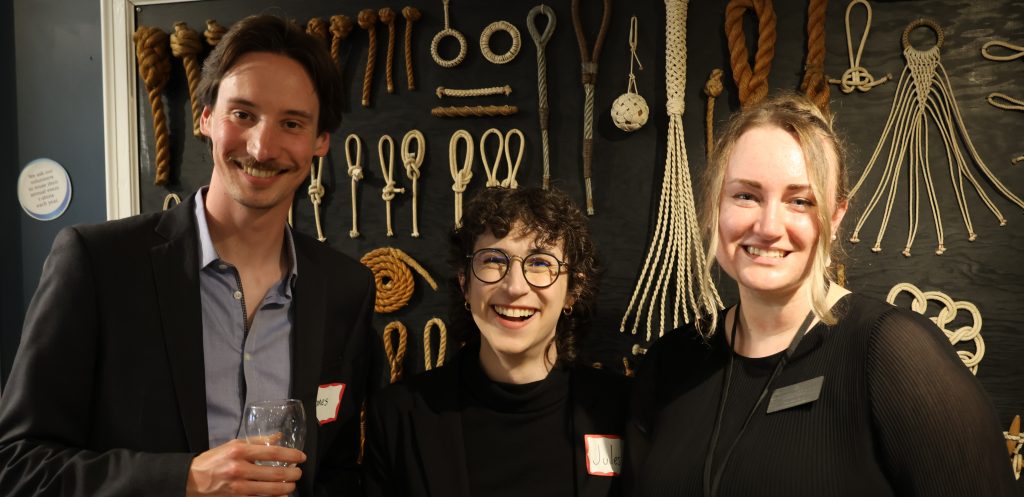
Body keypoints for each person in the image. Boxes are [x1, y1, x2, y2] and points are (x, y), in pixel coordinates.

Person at [0, 14, 383, 497]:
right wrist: (184, 480)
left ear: (320, 141)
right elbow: (16, 464)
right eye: (242, 114)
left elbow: (337, 469)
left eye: (292, 123)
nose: (262, 147)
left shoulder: (346, 288)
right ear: (206, 118)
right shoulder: (97, 263)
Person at [626, 92, 1016, 496]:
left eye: (800, 201)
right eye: (746, 195)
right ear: (713, 203)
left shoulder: (891, 353)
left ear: (835, 218)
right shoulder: (671, 361)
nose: (769, 226)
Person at [364, 186, 630, 497]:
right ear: (465, 283)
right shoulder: (398, 416)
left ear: (573, 290)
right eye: (493, 260)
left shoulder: (623, 411)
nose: (515, 286)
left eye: (541, 263)